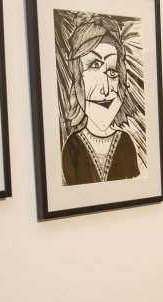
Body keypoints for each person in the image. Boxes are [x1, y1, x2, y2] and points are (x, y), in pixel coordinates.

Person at [57, 13, 142, 185]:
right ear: (77, 79)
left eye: (112, 72)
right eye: (95, 65)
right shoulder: (72, 146)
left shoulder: (126, 142)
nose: (106, 89)